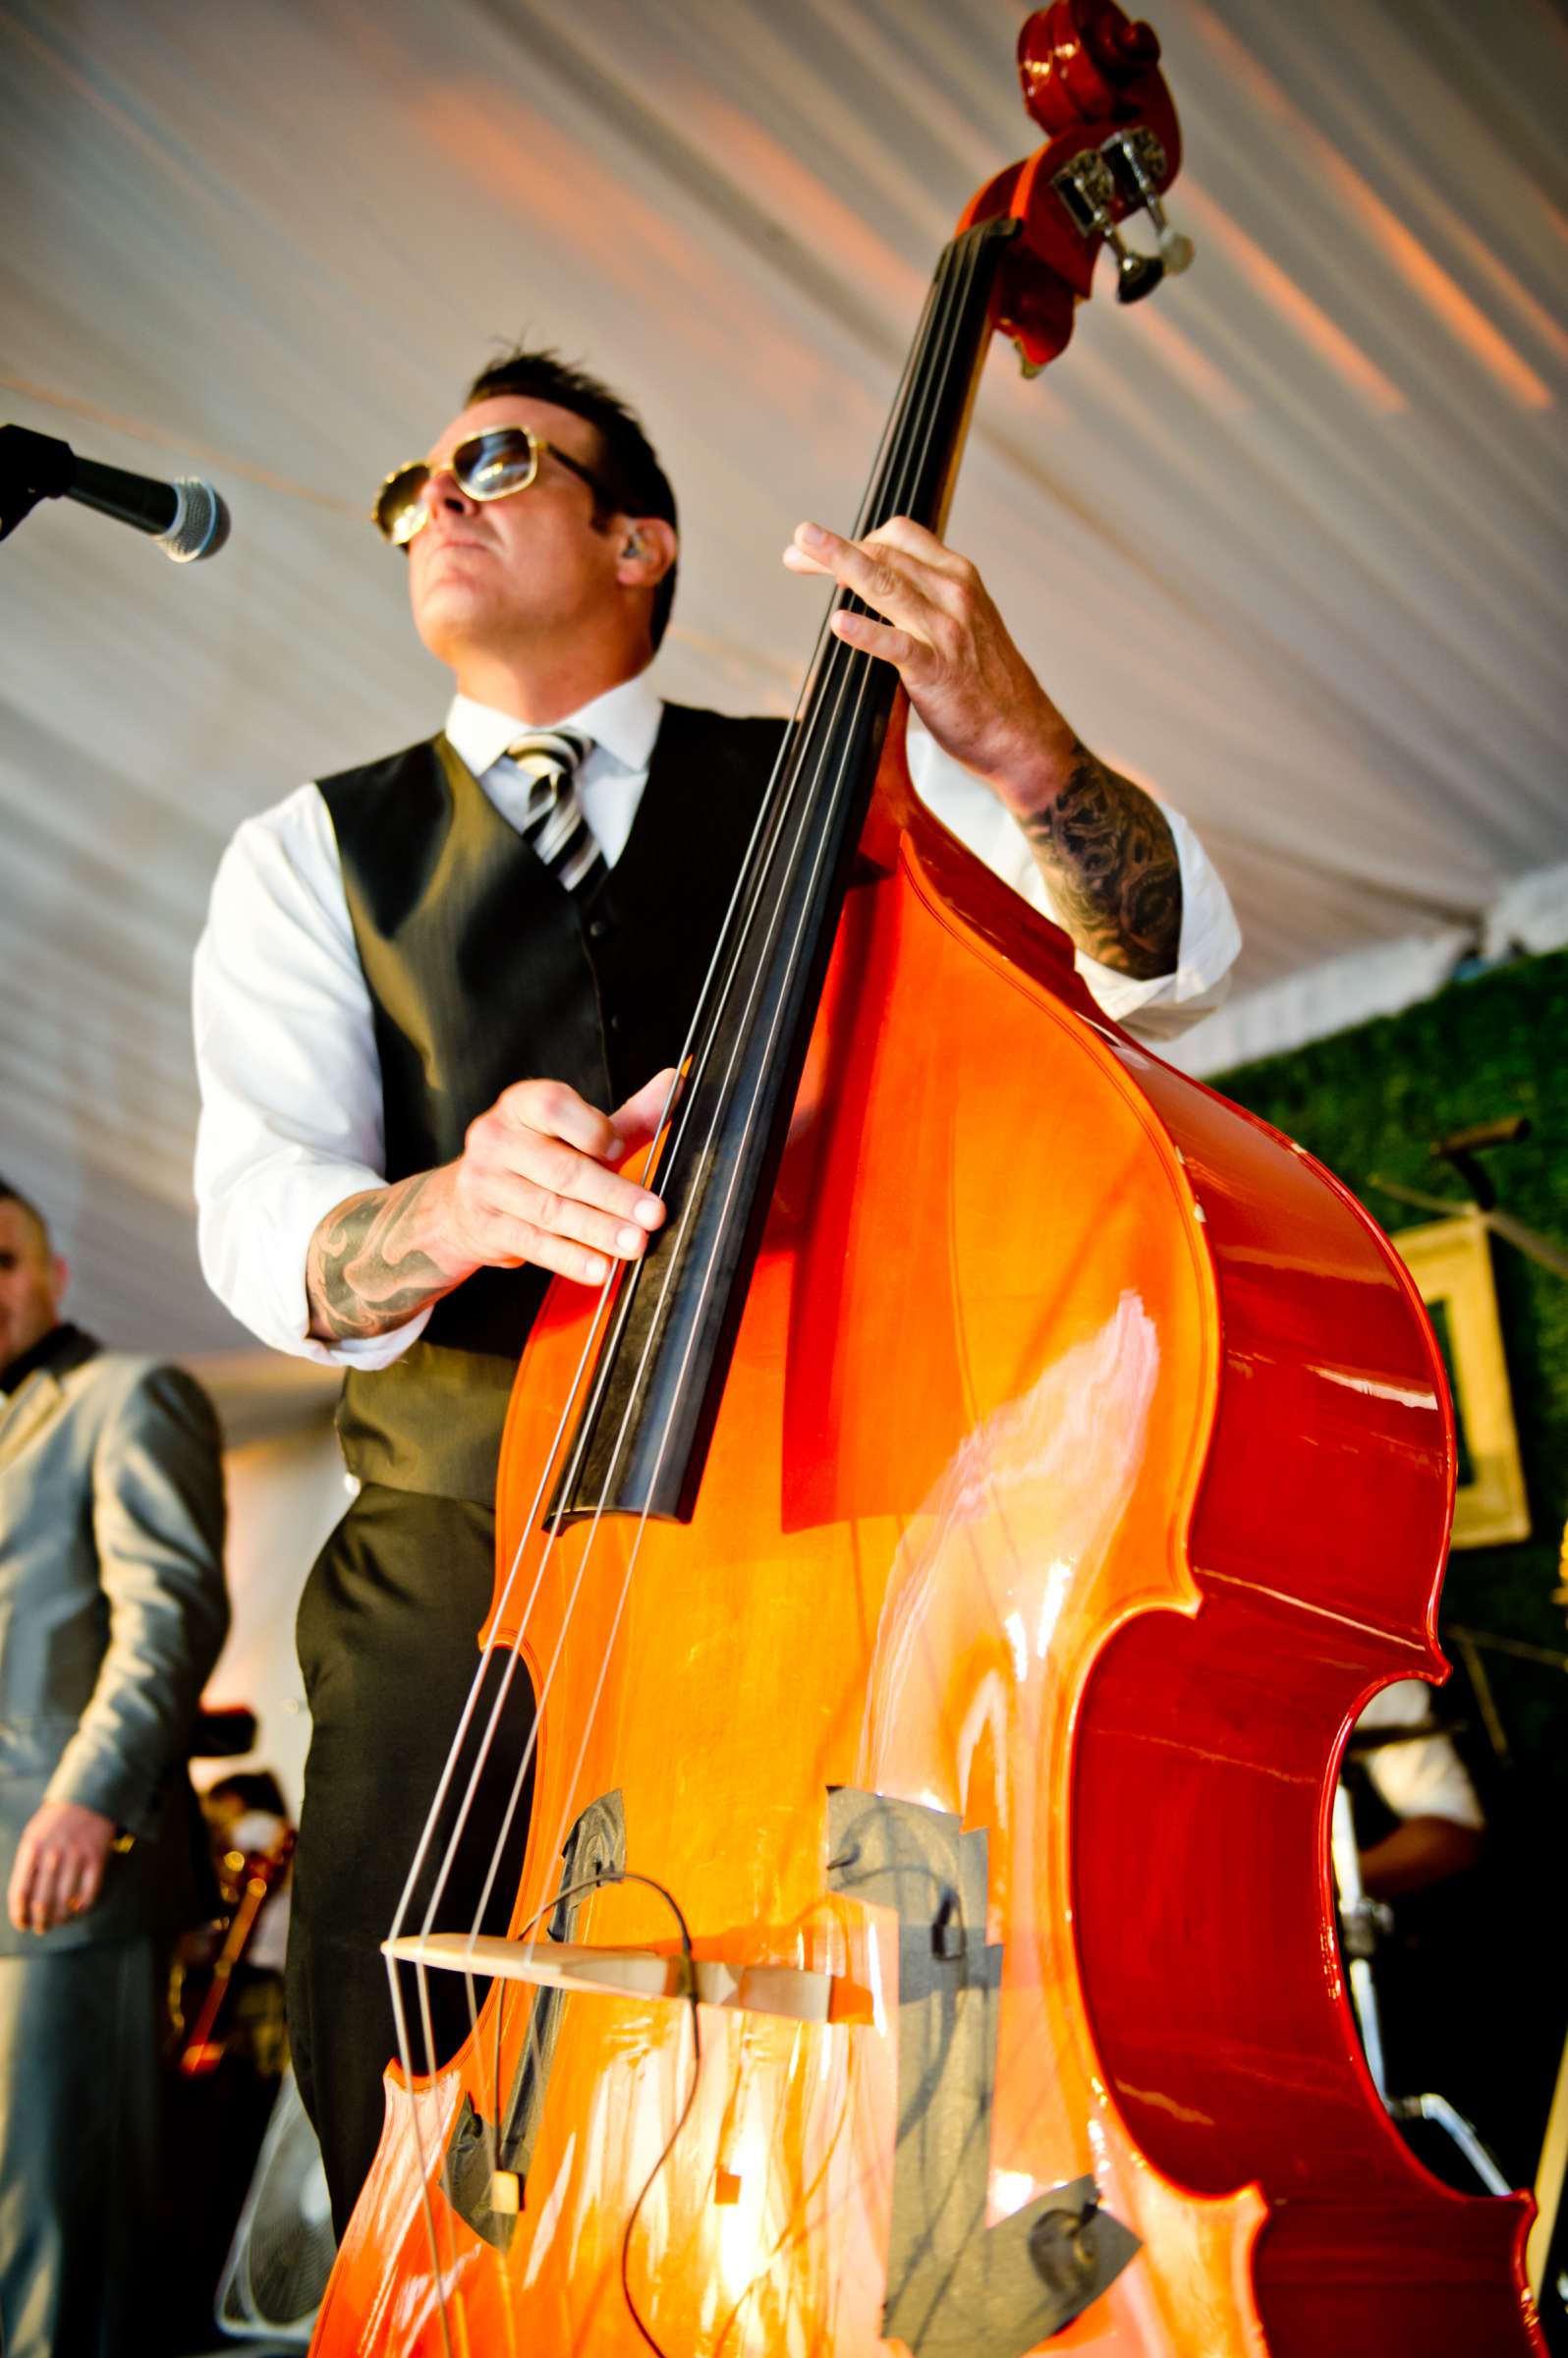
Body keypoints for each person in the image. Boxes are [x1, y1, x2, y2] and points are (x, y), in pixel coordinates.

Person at [193, 346, 1241, 2227]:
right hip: (459, 1572)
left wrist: (1024, 752)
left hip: (828, 1533)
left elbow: (1160, 959)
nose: (433, 503)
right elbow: (268, 1208)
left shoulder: (845, 782)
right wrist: (449, 1206)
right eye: (409, 488)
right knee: (407, 2139)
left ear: (641, 542)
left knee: (892, 2145)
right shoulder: (301, 855)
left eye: (496, 463)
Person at [0, 1177, 229, 2356]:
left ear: (54, 1277)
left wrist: (86, 1797)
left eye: (1, 1260)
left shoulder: (128, 1399)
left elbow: (170, 1621)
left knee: (58, 2255)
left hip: (66, 1892)